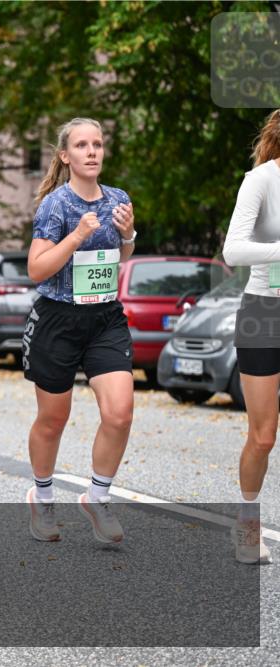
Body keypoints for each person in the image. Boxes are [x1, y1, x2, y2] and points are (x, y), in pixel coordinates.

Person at [22, 117, 136, 544]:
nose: (92, 152)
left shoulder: (119, 198)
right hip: (58, 319)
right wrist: (75, 236)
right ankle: (44, 496)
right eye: (83, 145)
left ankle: (98, 497)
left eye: (98, 144)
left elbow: (119, 258)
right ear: (65, 156)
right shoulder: (56, 204)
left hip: (104, 318)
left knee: (120, 413)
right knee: (54, 419)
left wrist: (128, 236)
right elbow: (36, 269)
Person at [222, 108, 280, 565]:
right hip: (265, 311)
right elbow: (233, 249)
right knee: (263, 437)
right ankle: (247, 524)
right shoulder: (261, 179)